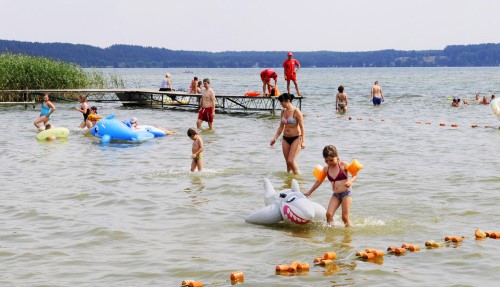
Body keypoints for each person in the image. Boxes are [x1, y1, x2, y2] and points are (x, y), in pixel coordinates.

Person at [304, 145, 358, 227]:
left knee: (344, 217)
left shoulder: (343, 164)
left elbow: (355, 174)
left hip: (346, 193)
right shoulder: (326, 169)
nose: (329, 163)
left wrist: (350, 181)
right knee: (329, 214)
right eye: (326, 161)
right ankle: (331, 236)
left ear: (337, 156)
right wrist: (310, 191)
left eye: (331, 160)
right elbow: (319, 181)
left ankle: (348, 235)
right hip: (336, 194)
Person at [270, 93, 305, 174]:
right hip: (285, 138)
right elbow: (281, 127)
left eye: (281, 102)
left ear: (287, 101)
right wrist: (275, 138)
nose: (280, 104)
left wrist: (303, 141)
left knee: (291, 160)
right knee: (287, 162)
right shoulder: (283, 112)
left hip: (296, 138)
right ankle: (289, 181)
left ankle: (298, 178)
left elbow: (302, 127)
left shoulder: (296, 111)